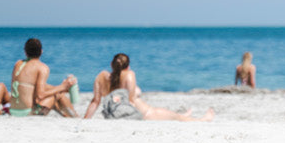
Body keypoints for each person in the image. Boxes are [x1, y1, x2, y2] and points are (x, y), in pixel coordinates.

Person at [82, 53, 214, 121]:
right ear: (127, 66)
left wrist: (86, 120)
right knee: (178, 118)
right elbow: (132, 100)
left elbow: (95, 102)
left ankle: (182, 115)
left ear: (112, 64)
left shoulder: (101, 76)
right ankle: (203, 119)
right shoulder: (129, 75)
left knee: (176, 116)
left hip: (114, 114)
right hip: (145, 113)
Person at [9, 37, 79, 117]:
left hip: (13, 111)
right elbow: (40, 95)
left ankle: (69, 116)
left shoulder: (18, 64)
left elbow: (32, 87)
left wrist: (62, 87)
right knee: (58, 95)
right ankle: (75, 117)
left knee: (56, 95)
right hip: (28, 113)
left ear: (25, 52)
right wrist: (63, 87)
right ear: (41, 52)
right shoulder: (42, 67)